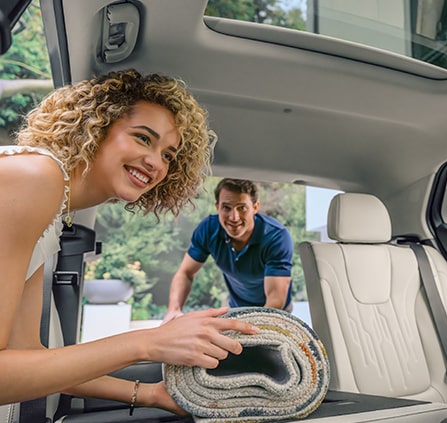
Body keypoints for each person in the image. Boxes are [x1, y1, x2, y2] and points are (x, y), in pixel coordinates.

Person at [0, 69, 260, 415]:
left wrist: (151, 394)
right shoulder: (35, 179)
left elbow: (31, 358)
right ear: (95, 126)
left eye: (169, 155)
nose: (155, 162)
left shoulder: (50, 208)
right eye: (142, 138)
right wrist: (148, 342)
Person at [163, 178, 294, 323]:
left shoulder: (276, 237)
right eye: (226, 207)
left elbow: (275, 298)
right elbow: (185, 272)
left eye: (242, 207)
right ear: (217, 206)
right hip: (237, 306)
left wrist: (256, 329)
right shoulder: (208, 230)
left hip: (274, 310)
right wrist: (174, 310)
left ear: (255, 207)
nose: (234, 217)